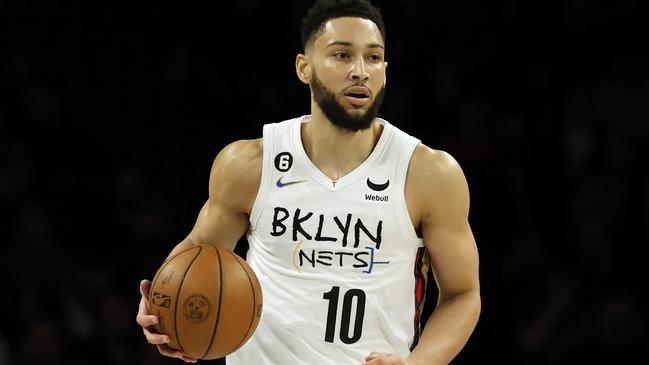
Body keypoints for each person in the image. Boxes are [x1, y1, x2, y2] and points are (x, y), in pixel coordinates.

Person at [136, 0, 481, 364]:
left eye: (373, 58)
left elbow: (463, 294)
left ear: (385, 70)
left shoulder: (428, 174)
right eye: (342, 55)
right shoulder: (250, 165)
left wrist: (417, 364)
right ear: (304, 68)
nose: (360, 71)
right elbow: (198, 251)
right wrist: (161, 309)